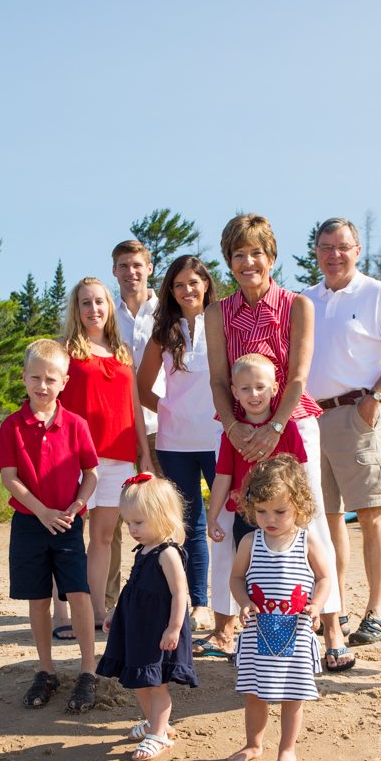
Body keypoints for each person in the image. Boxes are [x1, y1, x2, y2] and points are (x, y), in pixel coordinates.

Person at [205, 213, 348, 666]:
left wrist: (272, 428)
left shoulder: (297, 305)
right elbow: (217, 380)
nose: (249, 262)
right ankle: (232, 629)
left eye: (257, 253)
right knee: (233, 525)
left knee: (309, 523)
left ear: (272, 256)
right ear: (229, 260)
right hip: (236, 428)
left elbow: (299, 376)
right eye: (239, 254)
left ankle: (331, 631)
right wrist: (236, 428)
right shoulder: (217, 312)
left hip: (291, 423)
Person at [304, 217, 381, 647]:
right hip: (312, 419)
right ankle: (336, 606)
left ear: (358, 250)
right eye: (326, 247)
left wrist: (376, 398)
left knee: (370, 513)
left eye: (343, 247)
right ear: (316, 252)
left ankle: (377, 612)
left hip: (359, 413)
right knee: (328, 520)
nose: (335, 255)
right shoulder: (306, 300)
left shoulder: (376, 293)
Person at [0, 338, 100, 712]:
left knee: (79, 593)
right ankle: (46, 668)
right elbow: (10, 477)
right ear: (24, 378)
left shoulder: (76, 425)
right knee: (38, 598)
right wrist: (40, 511)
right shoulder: (12, 425)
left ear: (64, 382)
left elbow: (91, 472)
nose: (42, 386)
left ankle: (88, 670)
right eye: (35, 378)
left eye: (51, 379)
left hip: (68, 522)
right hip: (29, 522)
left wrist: (77, 504)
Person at [58, 277, 153, 626]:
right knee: (68, 536)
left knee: (101, 538)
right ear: (77, 308)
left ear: (109, 306)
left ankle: (97, 610)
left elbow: (134, 408)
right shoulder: (65, 350)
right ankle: (63, 612)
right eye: (86, 302)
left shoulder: (122, 351)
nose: (93, 309)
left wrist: (143, 451)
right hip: (74, 459)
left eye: (99, 301)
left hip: (118, 458)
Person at [228, 456, 331, 761]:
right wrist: (243, 602)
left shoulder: (306, 540)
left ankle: (287, 747)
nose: (269, 519)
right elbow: (236, 579)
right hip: (257, 632)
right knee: (254, 693)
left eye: (280, 512)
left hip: (296, 632)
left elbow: (325, 578)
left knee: (293, 695)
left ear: (299, 506)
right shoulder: (250, 541)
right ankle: (254, 743)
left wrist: (316, 605)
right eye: (261, 511)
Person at [136, 254, 217, 629]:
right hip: (175, 442)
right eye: (179, 284)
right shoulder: (163, 331)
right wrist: (167, 408)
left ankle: (238, 605)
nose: (187, 290)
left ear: (205, 284)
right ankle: (196, 602)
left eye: (193, 282)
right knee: (190, 524)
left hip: (220, 438)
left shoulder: (222, 323)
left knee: (232, 520)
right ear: (170, 289)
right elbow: (141, 386)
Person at [97, 473, 198, 761]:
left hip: (158, 630)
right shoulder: (143, 550)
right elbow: (132, 586)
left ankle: (159, 735)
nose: (132, 529)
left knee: (157, 684)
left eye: (138, 522)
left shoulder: (168, 554)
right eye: (128, 523)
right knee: (138, 680)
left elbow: (181, 594)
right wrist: (116, 614)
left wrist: (174, 628)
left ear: (162, 516)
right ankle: (157, 724)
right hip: (136, 626)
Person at [207, 352, 307, 544]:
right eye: (245, 388)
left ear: (275, 388)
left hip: (284, 515)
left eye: (260, 387)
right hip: (246, 517)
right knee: (248, 571)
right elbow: (222, 478)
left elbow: (300, 474)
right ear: (235, 392)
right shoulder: (232, 436)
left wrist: (301, 510)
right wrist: (212, 518)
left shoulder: (289, 430)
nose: (254, 394)